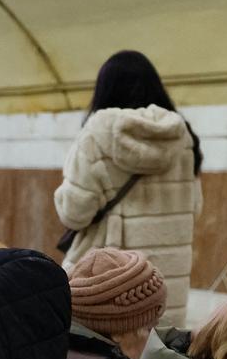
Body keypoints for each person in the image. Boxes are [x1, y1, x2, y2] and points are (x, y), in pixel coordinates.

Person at [55, 50, 203, 327]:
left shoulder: (96, 134)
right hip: (164, 287)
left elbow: (74, 214)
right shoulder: (182, 138)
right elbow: (195, 207)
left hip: (110, 287)